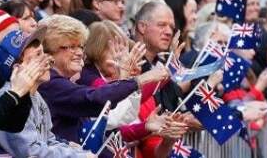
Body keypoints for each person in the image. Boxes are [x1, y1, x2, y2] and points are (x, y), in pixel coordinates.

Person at [37, 15, 168, 144]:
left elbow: (117, 118)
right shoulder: (50, 83)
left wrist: (127, 79)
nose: (78, 52)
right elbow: (98, 100)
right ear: (50, 50)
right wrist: (138, 80)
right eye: (71, 46)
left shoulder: (62, 80)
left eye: (81, 47)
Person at [0, 26, 96, 157]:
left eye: (44, 52)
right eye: (38, 55)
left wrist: (74, 151)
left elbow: (48, 140)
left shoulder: (36, 96)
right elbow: (31, 152)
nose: (48, 59)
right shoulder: (10, 101)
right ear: (18, 68)